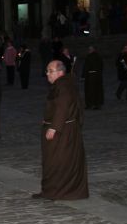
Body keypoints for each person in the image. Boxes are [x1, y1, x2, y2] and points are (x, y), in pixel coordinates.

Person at [34, 60, 88, 200]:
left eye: (50, 71)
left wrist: (54, 127)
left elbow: (62, 108)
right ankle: (50, 190)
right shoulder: (62, 84)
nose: (47, 74)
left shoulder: (64, 86)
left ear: (60, 72)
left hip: (63, 131)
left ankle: (57, 192)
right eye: (47, 71)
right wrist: (46, 119)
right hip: (63, 127)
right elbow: (55, 106)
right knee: (53, 161)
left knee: (58, 161)